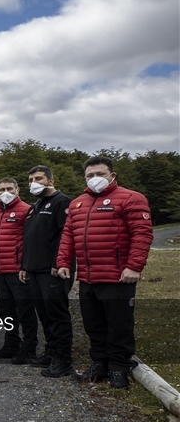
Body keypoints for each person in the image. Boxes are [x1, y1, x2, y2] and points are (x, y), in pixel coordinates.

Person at [57, 156, 153, 389]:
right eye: (90, 175)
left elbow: (142, 234)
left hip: (117, 276)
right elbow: (68, 235)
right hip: (88, 277)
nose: (94, 178)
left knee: (119, 325)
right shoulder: (77, 204)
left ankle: (119, 367)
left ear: (112, 175)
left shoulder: (131, 198)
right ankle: (99, 363)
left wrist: (134, 266)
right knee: (94, 324)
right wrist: (63, 262)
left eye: (99, 174)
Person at [20, 165, 75, 376]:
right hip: (34, 269)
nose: (34, 183)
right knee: (44, 314)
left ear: (51, 181)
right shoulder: (34, 207)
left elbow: (65, 236)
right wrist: (25, 266)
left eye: (39, 178)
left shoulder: (62, 202)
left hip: (52, 270)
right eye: (31, 179)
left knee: (56, 315)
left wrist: (58, 263)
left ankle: (63, 359)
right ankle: (51, 352)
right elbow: (29, 239)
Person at [0, 178, 39, 363]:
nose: (6, 192)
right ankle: (11, 344)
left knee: (25, 310)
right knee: (6, 310)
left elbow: (31, 241)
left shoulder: (26, 210)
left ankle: (29, 348)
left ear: (17, 190)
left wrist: (25, 266)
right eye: (2, 189)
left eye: (10, 188)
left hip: (18, 271)